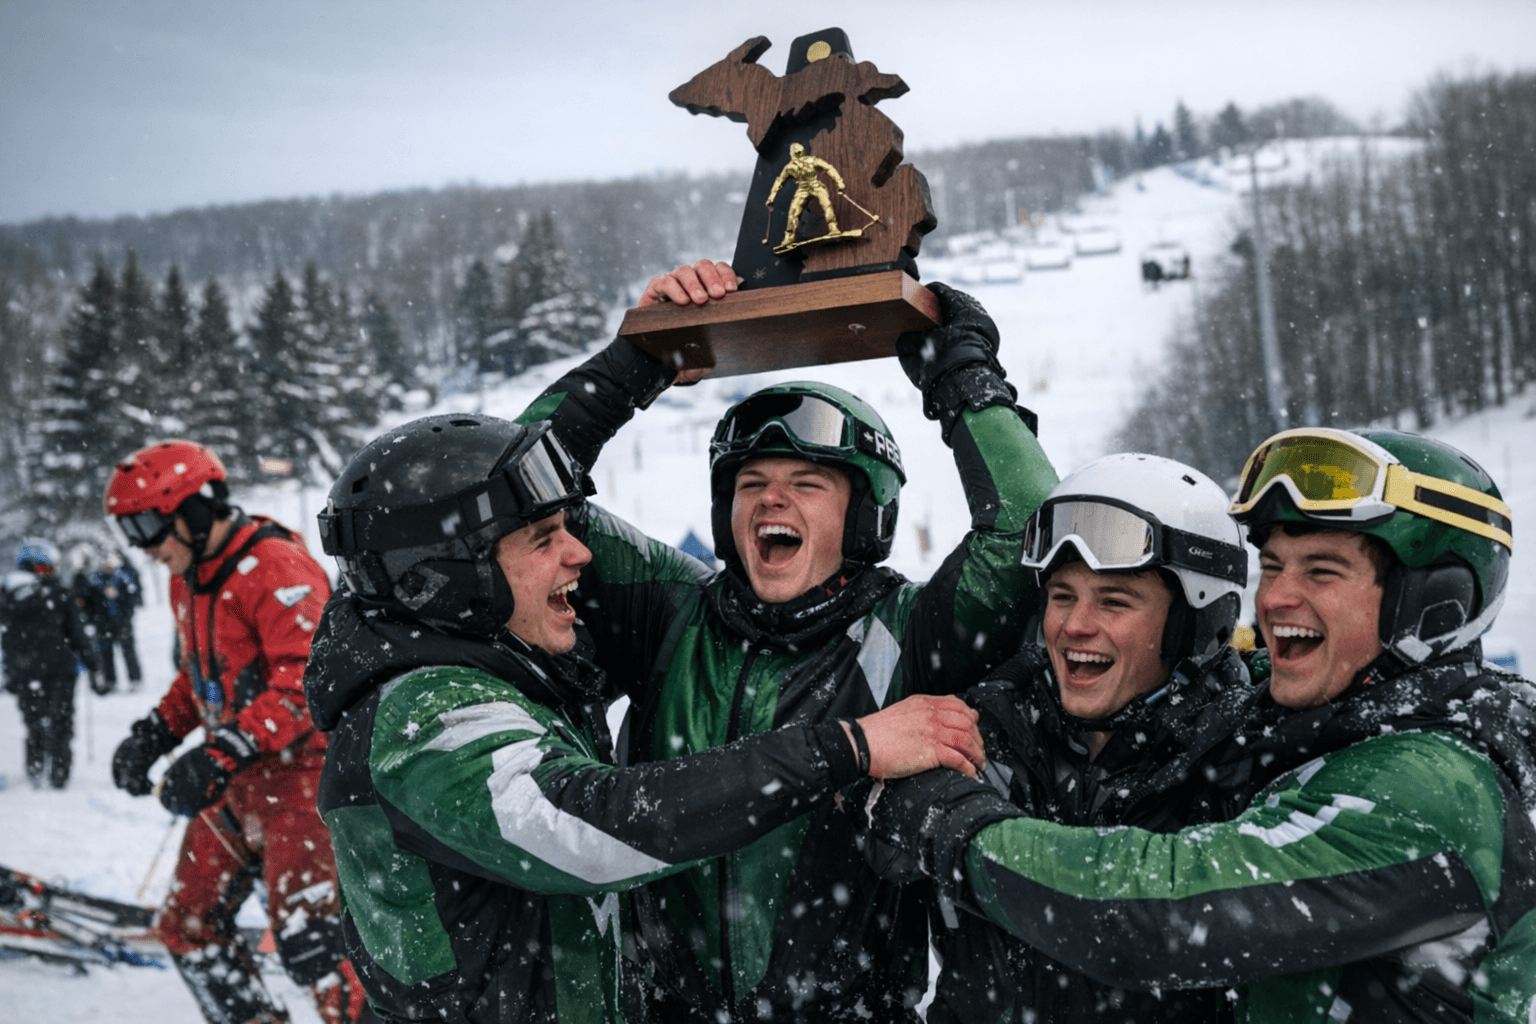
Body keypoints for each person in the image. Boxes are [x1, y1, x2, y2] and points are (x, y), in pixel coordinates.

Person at [304, 415, 986, 1024]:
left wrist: (632, 367)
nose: (580, 554)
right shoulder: (419, 715)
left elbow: (500, 466)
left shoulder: (506, 660)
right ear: (452, 577)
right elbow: (585, 826)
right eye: (544, 540)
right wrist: (845, 747)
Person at [516, 261, 1058, 1022]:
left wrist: (961, 376)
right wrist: (637, 360)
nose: (772, 498)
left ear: (864, 517)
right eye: (750, 483)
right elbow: (516, 489)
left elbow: (1029, 524)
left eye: (807, 483)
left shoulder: (910, 631)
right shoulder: (670, 612)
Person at [869, 427, 1536, 1023]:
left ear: (1436, 605)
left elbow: (1147, 915)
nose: (1276, 598)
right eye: (1272, 567)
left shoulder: (1429, 788)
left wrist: (952, 827)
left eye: (1323, 571)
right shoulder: (1310, 739)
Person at [902, 453, 1259, 1024]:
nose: (1074, 626)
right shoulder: (987, 731)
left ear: (1197, 624)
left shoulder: (1250, 767)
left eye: (1114, 601)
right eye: (1062, 596)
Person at [103, 440, 372, 1024]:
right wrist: (156, 732)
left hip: (301, 781)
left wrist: (223, 750)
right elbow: (201, 676)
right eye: (129, 532)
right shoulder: (190, 578)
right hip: (237, 781)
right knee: (186, 928)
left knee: (314, 948)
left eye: (148, 527)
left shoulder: (275, 567)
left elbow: (305, 683)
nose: (144, 548)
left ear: (195, 509)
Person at [0, 539, 98, 788]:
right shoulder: (59, 594)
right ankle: (58, 771)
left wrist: (9, 669)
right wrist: (92, 661)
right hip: (59, 669)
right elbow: (76, 632)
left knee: (35, 721)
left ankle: (36, 767)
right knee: (61, 722)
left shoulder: (6, 594)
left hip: (24, 671)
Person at [72, 550, 144, 693]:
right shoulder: (94, 581)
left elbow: (132, 598)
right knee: (106, 653)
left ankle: (135, 679)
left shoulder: (121, 577)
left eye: (108, 564)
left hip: (122, 621)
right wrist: (90, 618)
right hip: (103, 623)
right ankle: (110, 680)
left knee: (128, 651)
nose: (106, 566)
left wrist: (124, 609)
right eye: (104, 564)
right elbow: (88, 603)